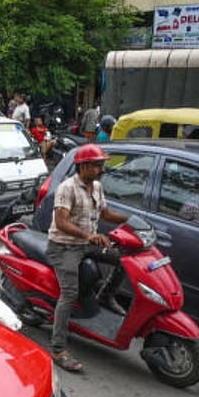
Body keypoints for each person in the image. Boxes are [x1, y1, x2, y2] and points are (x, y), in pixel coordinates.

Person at [47, 144, 128, 372]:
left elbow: (106, 214)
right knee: (69, 294)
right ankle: (58, 349)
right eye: (98, 165)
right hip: (64, 247)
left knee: (123, 259)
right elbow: (62, 222)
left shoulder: (97, 187)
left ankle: (106, 296)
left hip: (86, 243)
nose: (102, 170)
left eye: (102, 165)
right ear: (84, 167)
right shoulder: (67, 188)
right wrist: (89, 236)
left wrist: (130, 220)